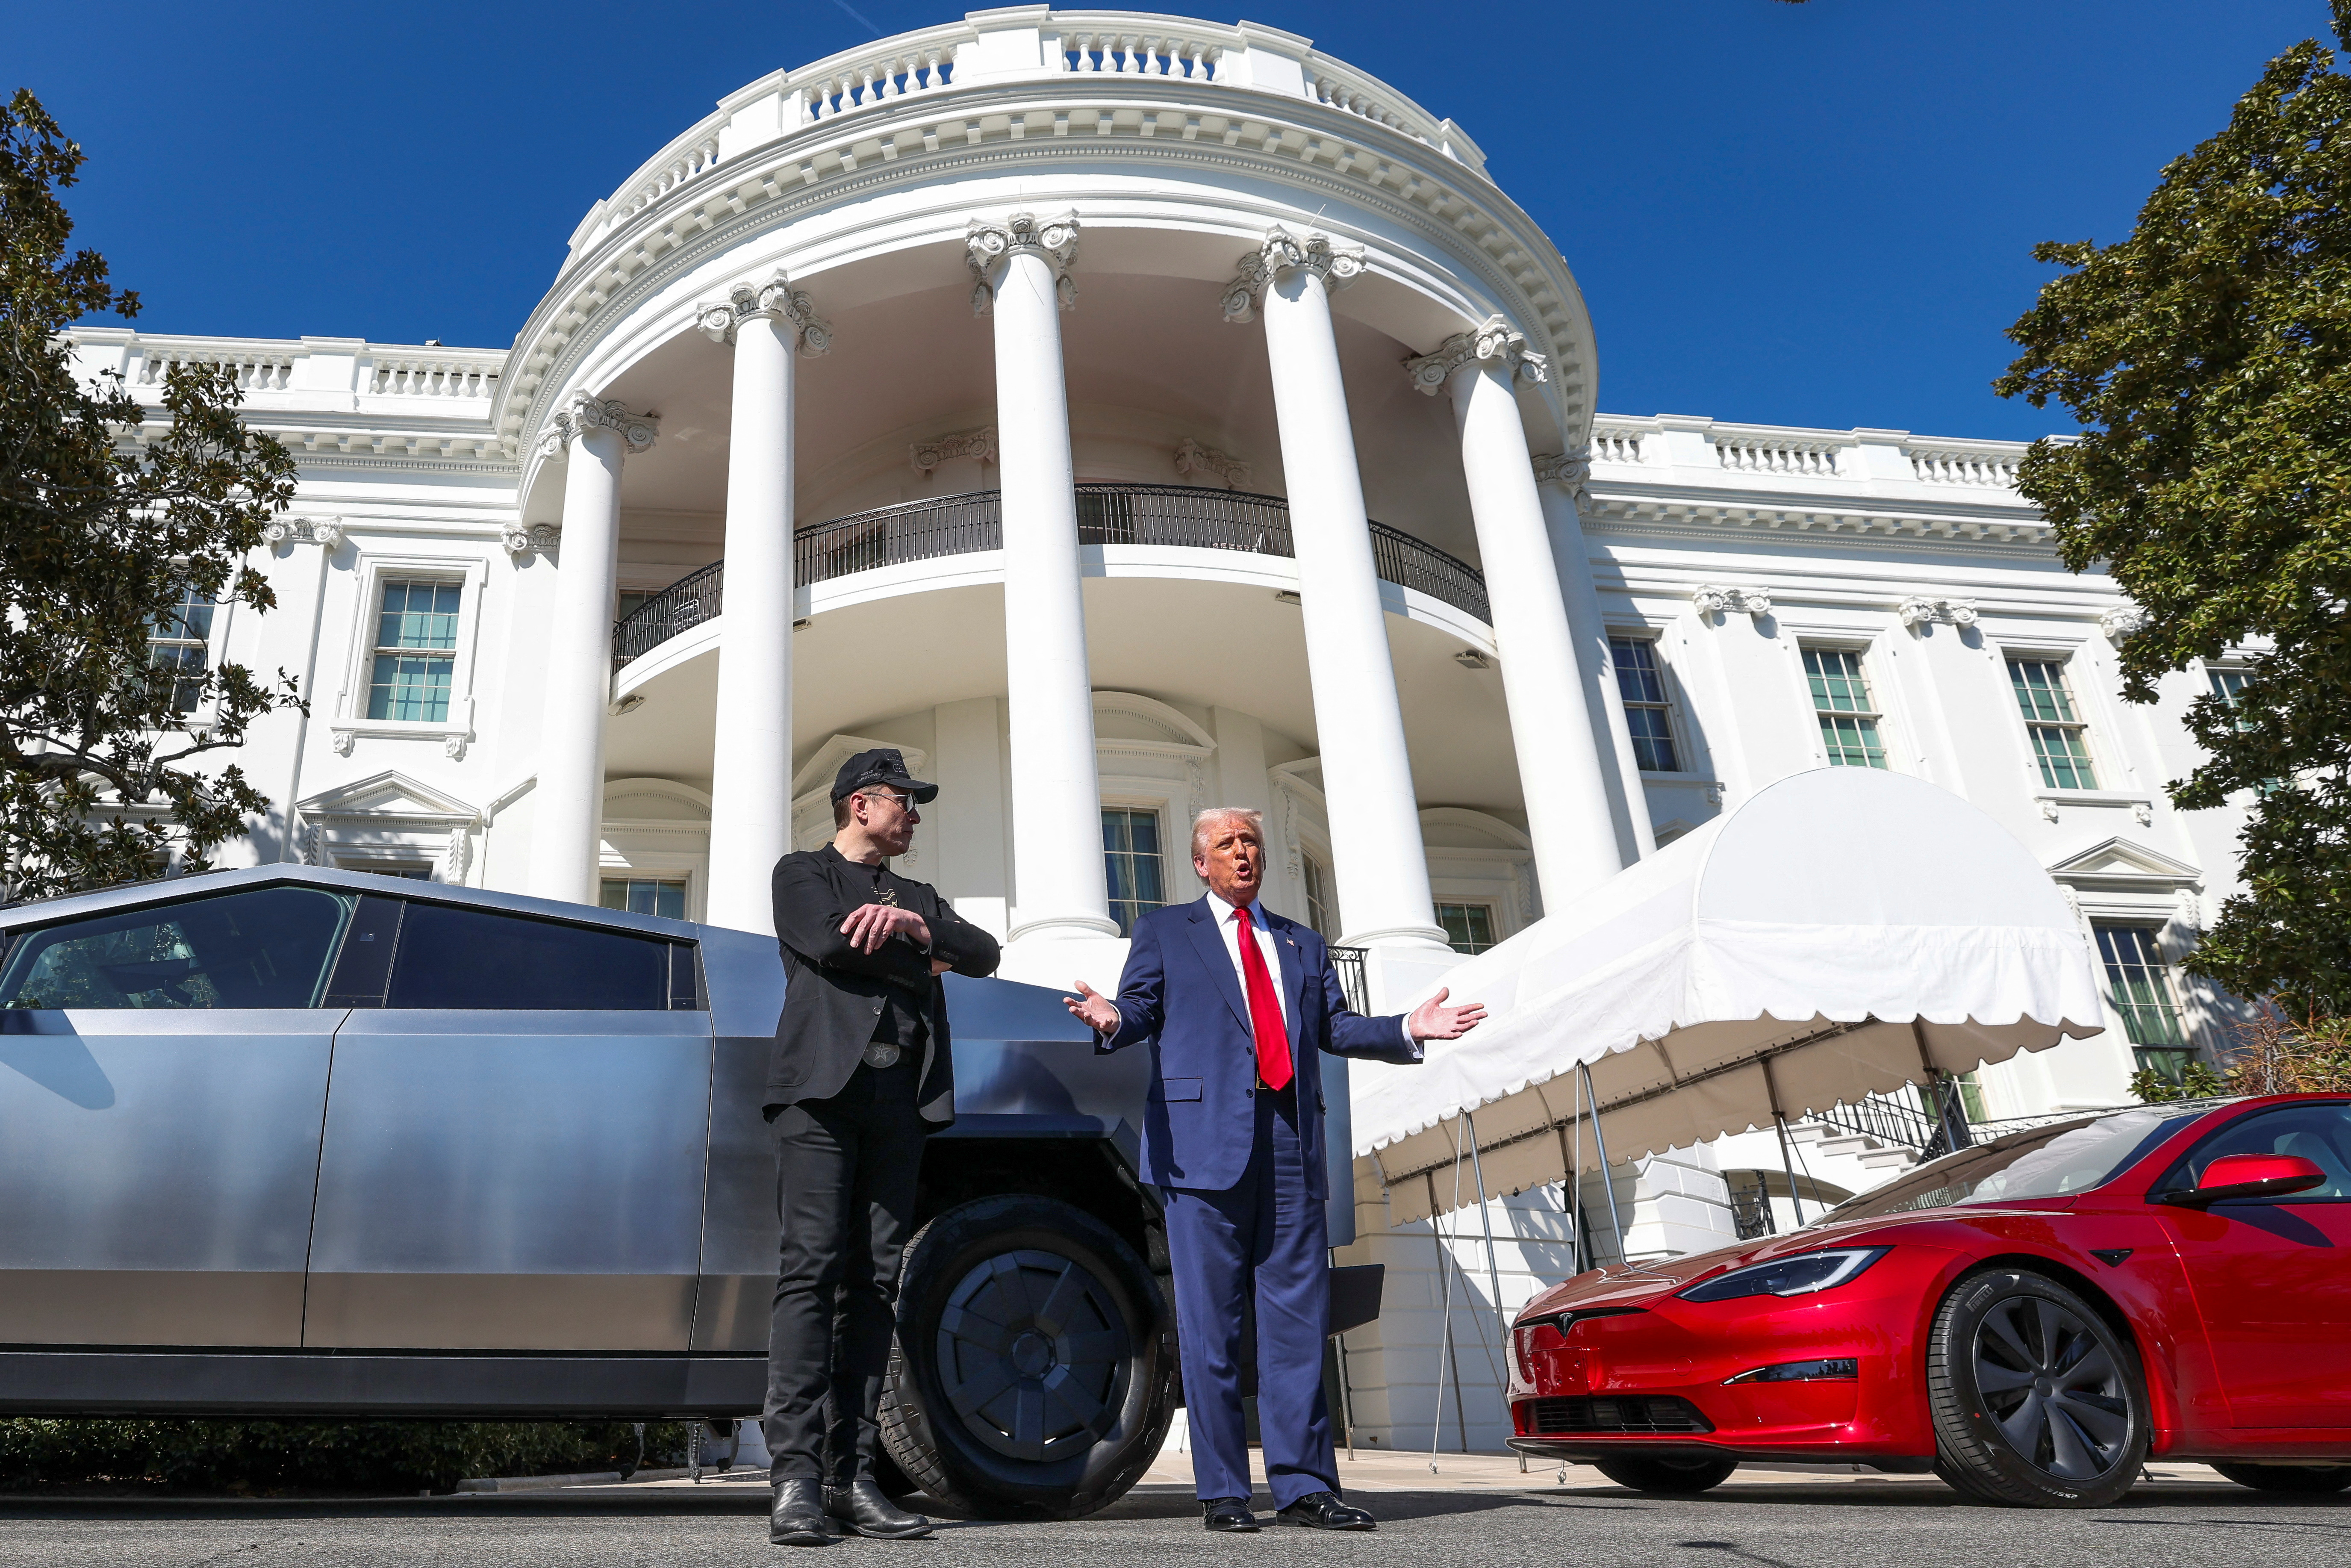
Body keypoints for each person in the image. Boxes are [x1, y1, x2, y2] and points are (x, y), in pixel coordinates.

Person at [1064, 808, 1485, 1533]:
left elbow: (1334, 1028)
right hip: (1202, 1152)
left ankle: (1304, 1488)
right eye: (1226, 844)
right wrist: (1110, 1020)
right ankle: (1224, 1492)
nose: (1242, 853)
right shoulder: (1166, 932)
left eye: (1251, 842)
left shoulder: (1300, 941)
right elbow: (1140, 1009)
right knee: (1212, 1329)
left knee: (1296, 1328)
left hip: (1290, 1147)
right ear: (1201, 864)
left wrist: (1406, 1030)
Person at [763, 748, 1002, 1546]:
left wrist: (916, 925)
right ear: (862, 805)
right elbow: (829, 945)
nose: (915, 815)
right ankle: (794, 1481)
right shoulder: (800, 873)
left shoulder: (920, 895)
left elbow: (982, 953)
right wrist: (918, 956)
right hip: (822, 1097)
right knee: (811, 1275)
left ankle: (850, 1477)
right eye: (906, 801)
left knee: (875, 1283)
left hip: (902, 1101)